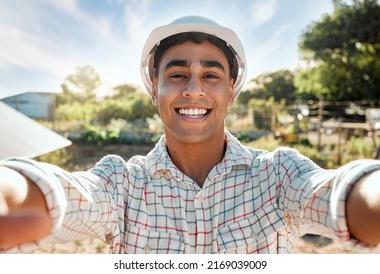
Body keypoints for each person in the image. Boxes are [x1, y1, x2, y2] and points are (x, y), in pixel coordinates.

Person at [1, 15, 380, 254]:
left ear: (232, 90)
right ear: (154, 90)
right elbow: (67, 193)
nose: (194, 90)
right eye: (178, 75)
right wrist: (11, 192)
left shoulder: (277, 176)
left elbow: (335, 193)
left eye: (211, 76)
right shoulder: (122, 185)